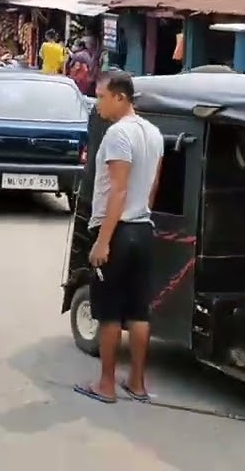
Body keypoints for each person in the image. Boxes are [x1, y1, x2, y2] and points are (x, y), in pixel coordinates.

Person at [75, 71, 164, 405]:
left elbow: (118, 190)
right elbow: (153, 186)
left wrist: (103, 240)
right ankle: (137, 384)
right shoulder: (154, 133)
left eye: (101, 96)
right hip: (142, 227)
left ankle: (106, 385)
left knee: (109, 311)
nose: (97, 104)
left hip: (118, 230)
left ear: (120, 97)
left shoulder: (117, 134)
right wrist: (142, 214)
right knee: (139, 311)